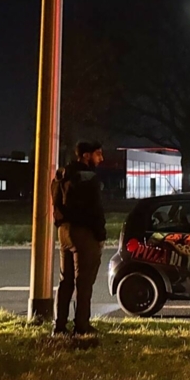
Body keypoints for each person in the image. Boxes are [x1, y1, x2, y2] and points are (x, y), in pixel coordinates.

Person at [51, 141, 106, 336]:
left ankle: (59, 326)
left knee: (65, 280)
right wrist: (100, 235)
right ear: (85, 155)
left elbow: (55, 199)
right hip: (84, 232)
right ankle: (81, 325)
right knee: (84, 282)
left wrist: (60, 221)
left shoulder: (62, 173)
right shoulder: (89, 177)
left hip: (65, 232)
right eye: (97, 154)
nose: (101, 158)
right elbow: (95, 210)